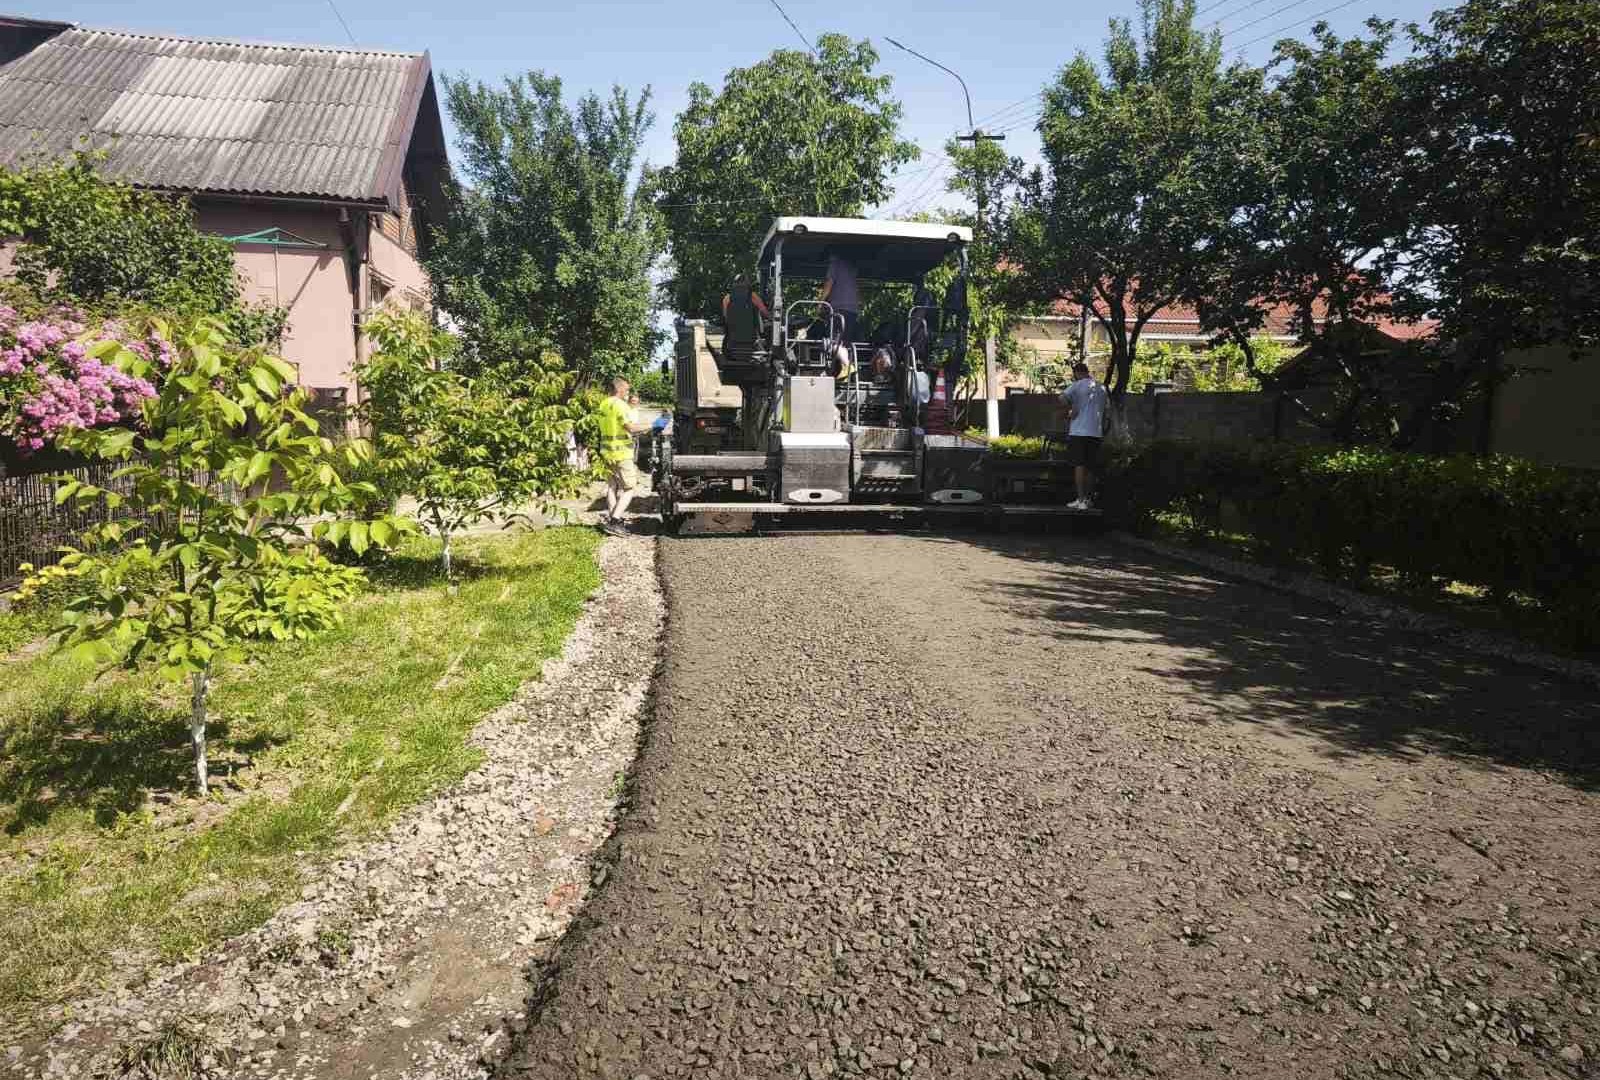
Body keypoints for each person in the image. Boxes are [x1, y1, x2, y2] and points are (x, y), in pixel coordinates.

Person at [596, 376, 652, 536]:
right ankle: (614, 521)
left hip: (607, 451)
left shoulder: (603, 404)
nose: (628, 392)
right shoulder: (621, 405)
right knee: (629, 488)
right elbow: (630, 428)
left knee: (612, 486)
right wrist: (652, 425)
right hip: (621, 453)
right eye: (627, 389)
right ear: (619, 389)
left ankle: (613, 518)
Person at [1060, 361, 1108, 510]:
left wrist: (1071, 409)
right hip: (1096, 433)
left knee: (1079, 466)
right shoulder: (1101, 388)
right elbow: (1106, 412)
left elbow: (1062, 398)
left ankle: (1081, 500)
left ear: (1077, 373)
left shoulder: (1077, 385)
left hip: (1079, 432)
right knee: (1091, 467)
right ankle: (1087, 499)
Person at [818, 248, 861, 347]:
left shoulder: (834, 264)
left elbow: (828, 285)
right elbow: (857, 288)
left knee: (833, 342)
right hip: (852, 310)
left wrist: (820, 304)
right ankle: (845, 355)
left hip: (839, 309)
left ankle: (835, 354)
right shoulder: (851, 267)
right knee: (845, 342)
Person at [721, 275, 770, 358]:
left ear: (734, 284)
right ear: (747, 284)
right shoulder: (753, 296)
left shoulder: (727, 298)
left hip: (733, 335)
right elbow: (765, 313)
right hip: (751, 334)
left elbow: (726, 317)